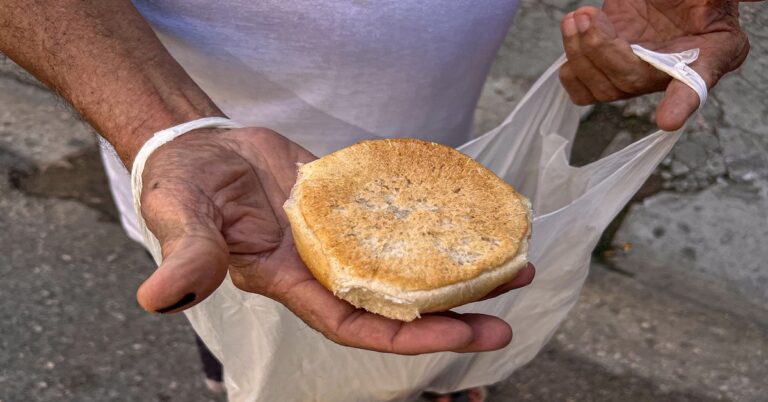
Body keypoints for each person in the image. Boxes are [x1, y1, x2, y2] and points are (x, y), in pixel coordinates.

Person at [0, 1, 754, 401]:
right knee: (249, 326)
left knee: (430, 338)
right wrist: (167, 129)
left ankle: (419, 390)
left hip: (430, 166)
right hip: (225, 192)